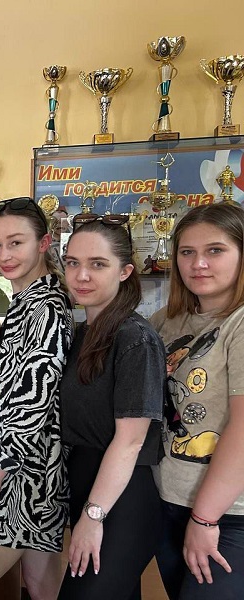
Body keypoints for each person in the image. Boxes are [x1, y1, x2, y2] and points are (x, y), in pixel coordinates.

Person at [0, 197, 73, 599]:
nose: (4, 255)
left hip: (24, 474)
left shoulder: (47, 306)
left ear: (44, 243)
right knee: (42, 583)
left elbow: (32, 399)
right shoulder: (29, 300)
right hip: (35, 468)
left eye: (16, 243)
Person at [58, 216, 165, 599]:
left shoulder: (135, 339)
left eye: (98, 264)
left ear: (125, 272)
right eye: (73, 262)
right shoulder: (83, 333)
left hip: (124, 496)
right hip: (88, 482)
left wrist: (93, 515)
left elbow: (130, 442)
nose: (82, 275)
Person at [150, 202, 244, 599]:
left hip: (228, 516)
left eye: (215, 250)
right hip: (169, 501)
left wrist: (205, 519)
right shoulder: (168, 320)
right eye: (187, 252)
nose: (198, 264)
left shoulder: (239, 322)